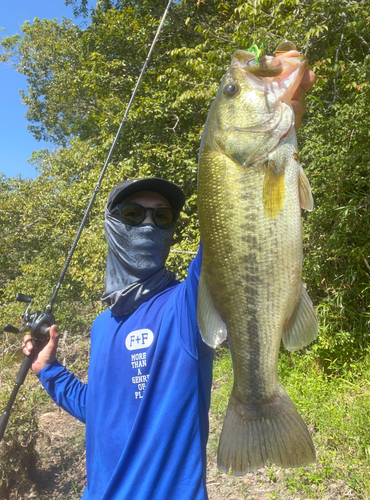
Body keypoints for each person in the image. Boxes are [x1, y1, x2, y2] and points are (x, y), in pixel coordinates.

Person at [23, 67, 315, 500]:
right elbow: (103, 411)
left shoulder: (183, 306)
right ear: (110, 226)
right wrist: (49, 370)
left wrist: (285, 109)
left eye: (161, 217)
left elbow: (232, 237)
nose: (148, 224)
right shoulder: (103, 325)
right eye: (132, 214)